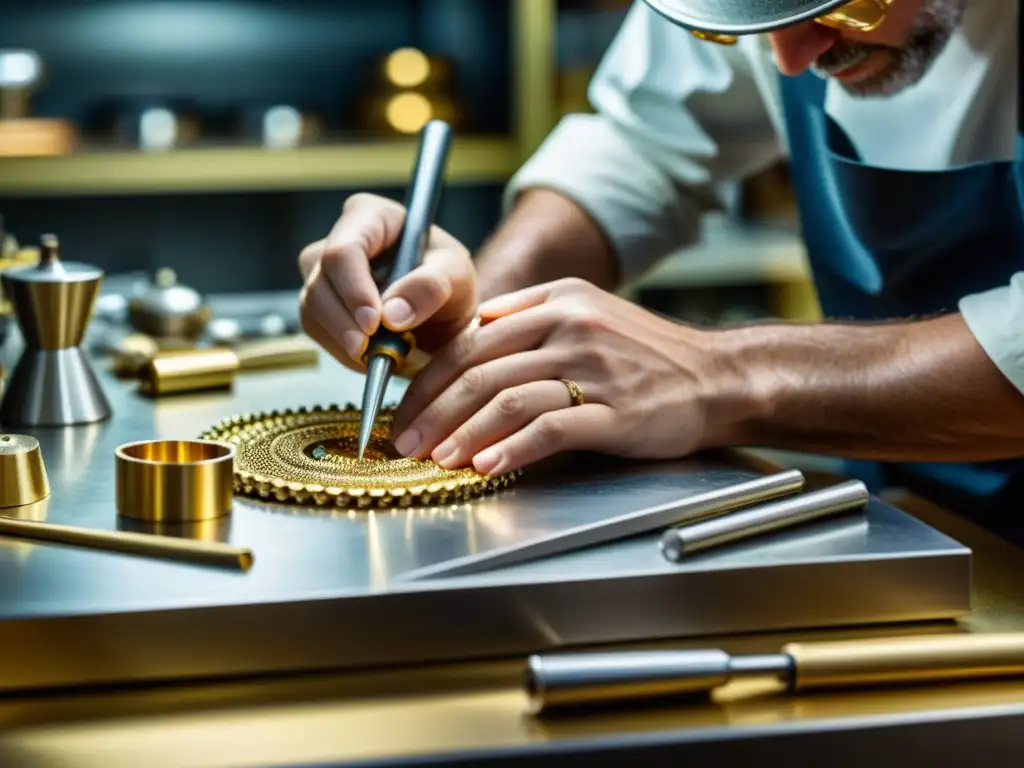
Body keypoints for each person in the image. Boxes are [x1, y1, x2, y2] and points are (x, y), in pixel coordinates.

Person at [299, 0, 1024, 529]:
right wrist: (481, 312)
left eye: (847, 6)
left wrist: (724, 376)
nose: (791, 59)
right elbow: (645, 147)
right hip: (911, 513)